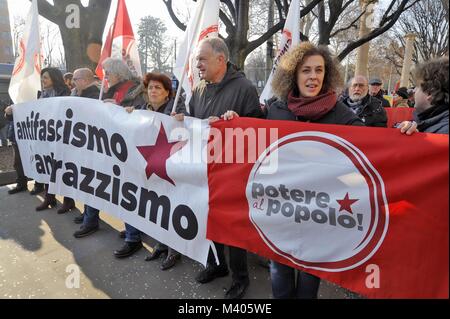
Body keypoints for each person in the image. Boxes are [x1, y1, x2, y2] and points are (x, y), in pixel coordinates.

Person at [264, 42, 364, 298]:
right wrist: (231, 119)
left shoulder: (341, 114)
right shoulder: (276, 110)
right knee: (280, 272)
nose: (313, 77)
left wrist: (407, 134)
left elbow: (376, 144)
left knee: (310, 278)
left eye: (319, 70)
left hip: (320, 213)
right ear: (293, 76)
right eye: (306, 70)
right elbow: (253, 142)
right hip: (282, 209)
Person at [180, 37, 264, 299]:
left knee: (232, 227)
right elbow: (193, 122)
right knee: (210, 221)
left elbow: (258, 130)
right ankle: (218, 265)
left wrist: (237, 123)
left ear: (220, 59)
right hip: (205, 169)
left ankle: (240, 280)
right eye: (197, 60)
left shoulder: (244, 88)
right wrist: (181, 121)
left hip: (233, 173)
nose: (198, 65)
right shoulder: (199, 89)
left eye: (202, 59)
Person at [125, 72, 187, 270]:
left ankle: (174, 250)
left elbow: (188, 130)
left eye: (158, 88)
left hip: (171, 167)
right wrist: (127, 115)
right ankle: (161, 243)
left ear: (168, 93)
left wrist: (181, 120)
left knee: (170, 207)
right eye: (150, 87)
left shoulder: (177, 108)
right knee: (156, 206)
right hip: (150, 165)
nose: (153, 91)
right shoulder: (142, 110)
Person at [100, 58, 147, 258]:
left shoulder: (138, 91)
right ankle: (132, 228)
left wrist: (117, 109)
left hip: (133, 150)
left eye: (107, 73)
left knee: (130, 193)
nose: (105, 77)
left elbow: (143, 118)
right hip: (115, 149)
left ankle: (133, 238)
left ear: (118, 74)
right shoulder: (109, 92)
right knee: (123, 193)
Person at [69, 68, 105, 237]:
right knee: (84, 183)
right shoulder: (78, 93)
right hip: (83, 145)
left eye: (75, 79)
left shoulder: (96, 96)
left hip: (93, 147)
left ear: (84, 80)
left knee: (89, 183)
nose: (72, 82)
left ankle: (90, 221)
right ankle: (88, 214)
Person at [34, 67, 75, 212]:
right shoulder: (42, 95)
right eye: (42, 77)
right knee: (47, 167)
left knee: (63, 169)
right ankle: (49, 197)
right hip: (46, 138)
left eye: (45, 77)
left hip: (61, 138)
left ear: (54, 78)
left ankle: (69, 200)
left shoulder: (65, 93)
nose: (42, 80)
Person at [398, 57, 448, 134]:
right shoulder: (426, 120)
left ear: (430, 93)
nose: (414, 91)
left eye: (417, 86)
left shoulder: (443, 132)